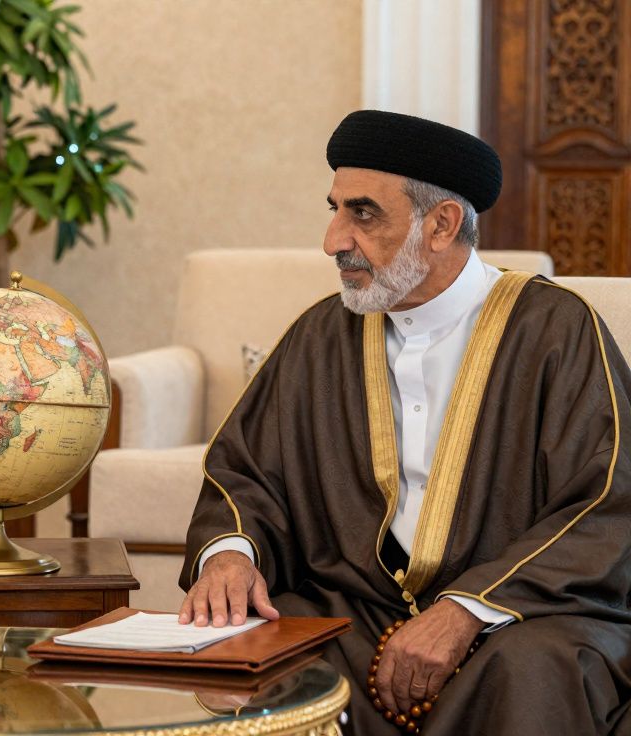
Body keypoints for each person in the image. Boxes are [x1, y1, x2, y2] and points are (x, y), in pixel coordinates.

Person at [178, 110, 631, 735]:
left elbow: (606, 502)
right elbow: (247, 472)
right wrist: (230, 553)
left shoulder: (555, 330)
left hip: (520, 617)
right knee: (275, 651)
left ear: (441, 224)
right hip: (358, 614)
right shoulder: (321, 334)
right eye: (335, 209)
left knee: (537, 672)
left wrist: (467, 609)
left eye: (362, 214)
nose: (333, 239)